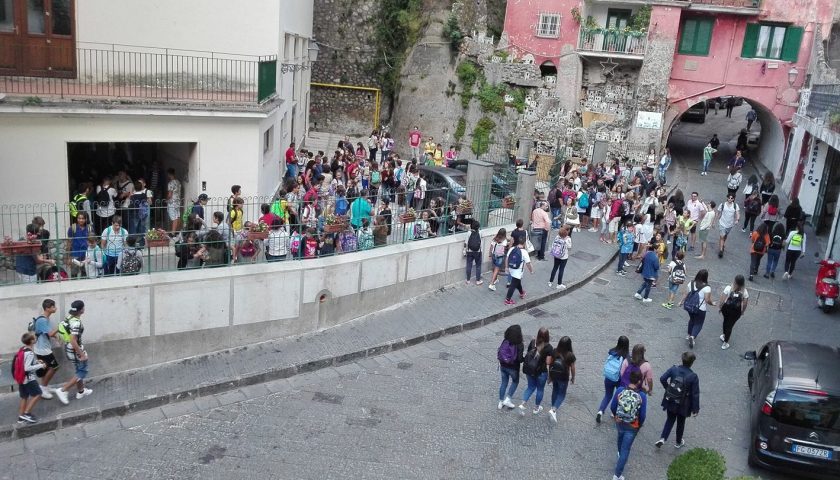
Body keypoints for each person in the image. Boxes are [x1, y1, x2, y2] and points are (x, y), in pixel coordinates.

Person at [655, 352, 700, 449]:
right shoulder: (693, 376)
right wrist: (695, 409)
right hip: (684, 404)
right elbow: (695, 394)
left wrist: (668, 388)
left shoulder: (674, 369)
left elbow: (662, 378)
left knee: (670, 419)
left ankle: (663, 438)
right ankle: (678, 442)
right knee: (681, 423)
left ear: (682, 359)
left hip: (671, 400)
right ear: (692, 362)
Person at [54, 300, 93, 404]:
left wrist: (58, 339)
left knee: (78, 370)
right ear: (81, 310)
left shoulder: (69, 318)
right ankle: (63, 390)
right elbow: (73, 340)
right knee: (82, 371)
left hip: (69, 348)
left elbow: (58, 330)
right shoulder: (76, 323)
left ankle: (81, 391)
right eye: (83, 307)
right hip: (75, 349)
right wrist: (82, 354)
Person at [610, 370, 647, 480]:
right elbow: (643, 415)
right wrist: (639, 425)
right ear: (639, 381)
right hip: (632, 426)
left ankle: (619, 456)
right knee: (626, 449)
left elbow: (613, 406)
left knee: (620, 439)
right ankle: (617, 475)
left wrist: (616, 416)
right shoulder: (642, 396)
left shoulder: (620, 390)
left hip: (620, 422)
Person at [517, 327, 552, 416]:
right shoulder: (549, 347)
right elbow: (548, 362)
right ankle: (536, 408)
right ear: (547, 336)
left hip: (530, 370)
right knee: (540, 389)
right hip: (541, 372)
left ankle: (522, 404)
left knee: (530, 387)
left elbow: (528, 352)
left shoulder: (533, 342)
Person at [596, 336, 630, 424]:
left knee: (607, 395)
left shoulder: (612, 351)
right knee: (619, 396)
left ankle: (600, 411)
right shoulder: (627, 356)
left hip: (609, 377)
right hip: (619, 379)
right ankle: (613, 412)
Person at [679, 269, 715, 349]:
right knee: (699, 323)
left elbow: (685, 293)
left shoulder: (691, 283)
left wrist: (681, 301)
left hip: (690, 306)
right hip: (700, 309)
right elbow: (707, 300)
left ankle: (689, 334)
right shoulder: (707, 288)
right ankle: (693, 336)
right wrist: (712, 303)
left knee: (692, 320)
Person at [14, 332, 45, 423]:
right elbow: (27, 368)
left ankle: (21, 417)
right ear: (31, 341)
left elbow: (25, 362)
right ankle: (27, 413)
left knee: (24, 397)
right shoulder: (30, 353)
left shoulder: (23, 349)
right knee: (38, 394)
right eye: (34, 338)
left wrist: (36, 362)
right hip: (28, 379)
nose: (36, 338)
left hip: (21, 378)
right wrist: (41, 365)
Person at [32, 299, 59, 400]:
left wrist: (56, 337)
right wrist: (60, 327)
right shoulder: (42, 320)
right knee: (55, 367)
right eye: (53, 307)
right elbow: (50, 333)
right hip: (42, 350)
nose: (55, 308)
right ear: (47, 308)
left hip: (42, 348)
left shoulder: (45, 319)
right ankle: (43, 388)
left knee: (46, 368)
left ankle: (44, 387)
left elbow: (47, 332)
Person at [546, 336, 576, 423]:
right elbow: (573, 368)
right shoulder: (570, 355)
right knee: (562, 394)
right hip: (563, 377)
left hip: (554, 375)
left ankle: (552, 407)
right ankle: (554, 410)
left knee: (555, 391)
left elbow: (550, 364)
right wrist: (573, 378)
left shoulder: (555, 351)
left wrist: (550, 376)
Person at [497, 324, 524, 410]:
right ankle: (508, 399)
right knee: (515, 382)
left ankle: (500, 402)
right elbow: (520, 359)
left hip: (503, 365)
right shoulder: (519, 344)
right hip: (513, 368)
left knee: (504, 383)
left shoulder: (505, 340)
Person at [719, 275, 749, 349]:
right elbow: (745, 303)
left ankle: (724, 335)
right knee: (730, 325)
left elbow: (722, 299)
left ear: (735, 281)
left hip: (726, 308)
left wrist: (720, 307)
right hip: (736, 311)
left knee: (725, 321)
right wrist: (742, 311)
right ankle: (725, 343)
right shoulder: (744, 291)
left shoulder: (728, 288)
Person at [504, 237, 533, 305]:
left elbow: (507, 258)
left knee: (517, 282)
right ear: (524, 243)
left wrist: (506, 267)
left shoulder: (512, 249)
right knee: (513, 285)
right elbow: (528, 263)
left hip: (511, 268)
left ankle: (522, 293)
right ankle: (507, 300)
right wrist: (531, 271)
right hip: (518, 271)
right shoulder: (524, 252)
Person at [716, 194, 740, 258]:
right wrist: (716, 218)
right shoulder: (722, 204)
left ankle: (723, 244)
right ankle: (721, 250)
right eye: (729, 198)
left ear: (733, 199)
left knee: (725, 236)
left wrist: (737, 219)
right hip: (722, 223)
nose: (730, 199)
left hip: (729, 224)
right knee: (722, 236)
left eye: (731, 198)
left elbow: (737, 213)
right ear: (727, 198)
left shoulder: (735, 206)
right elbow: (718, 212)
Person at [464, 220, 483, 285]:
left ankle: (468, 280)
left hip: (469, 251)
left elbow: (466, 243)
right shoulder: (480, 232)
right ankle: (478, 280)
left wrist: (464, 251)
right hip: (478, 251)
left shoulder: (469, 233)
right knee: (478, 266)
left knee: (469, 265)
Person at [166, 168, 182, 232]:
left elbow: (170, 194)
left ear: (169, 174)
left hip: (172, 202)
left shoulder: (170, 183)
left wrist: (166, 199)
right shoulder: (178, 182)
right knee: (177, 216)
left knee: (174, 218)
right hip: (178, 201)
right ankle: (178, 230)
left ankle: (173, 232)